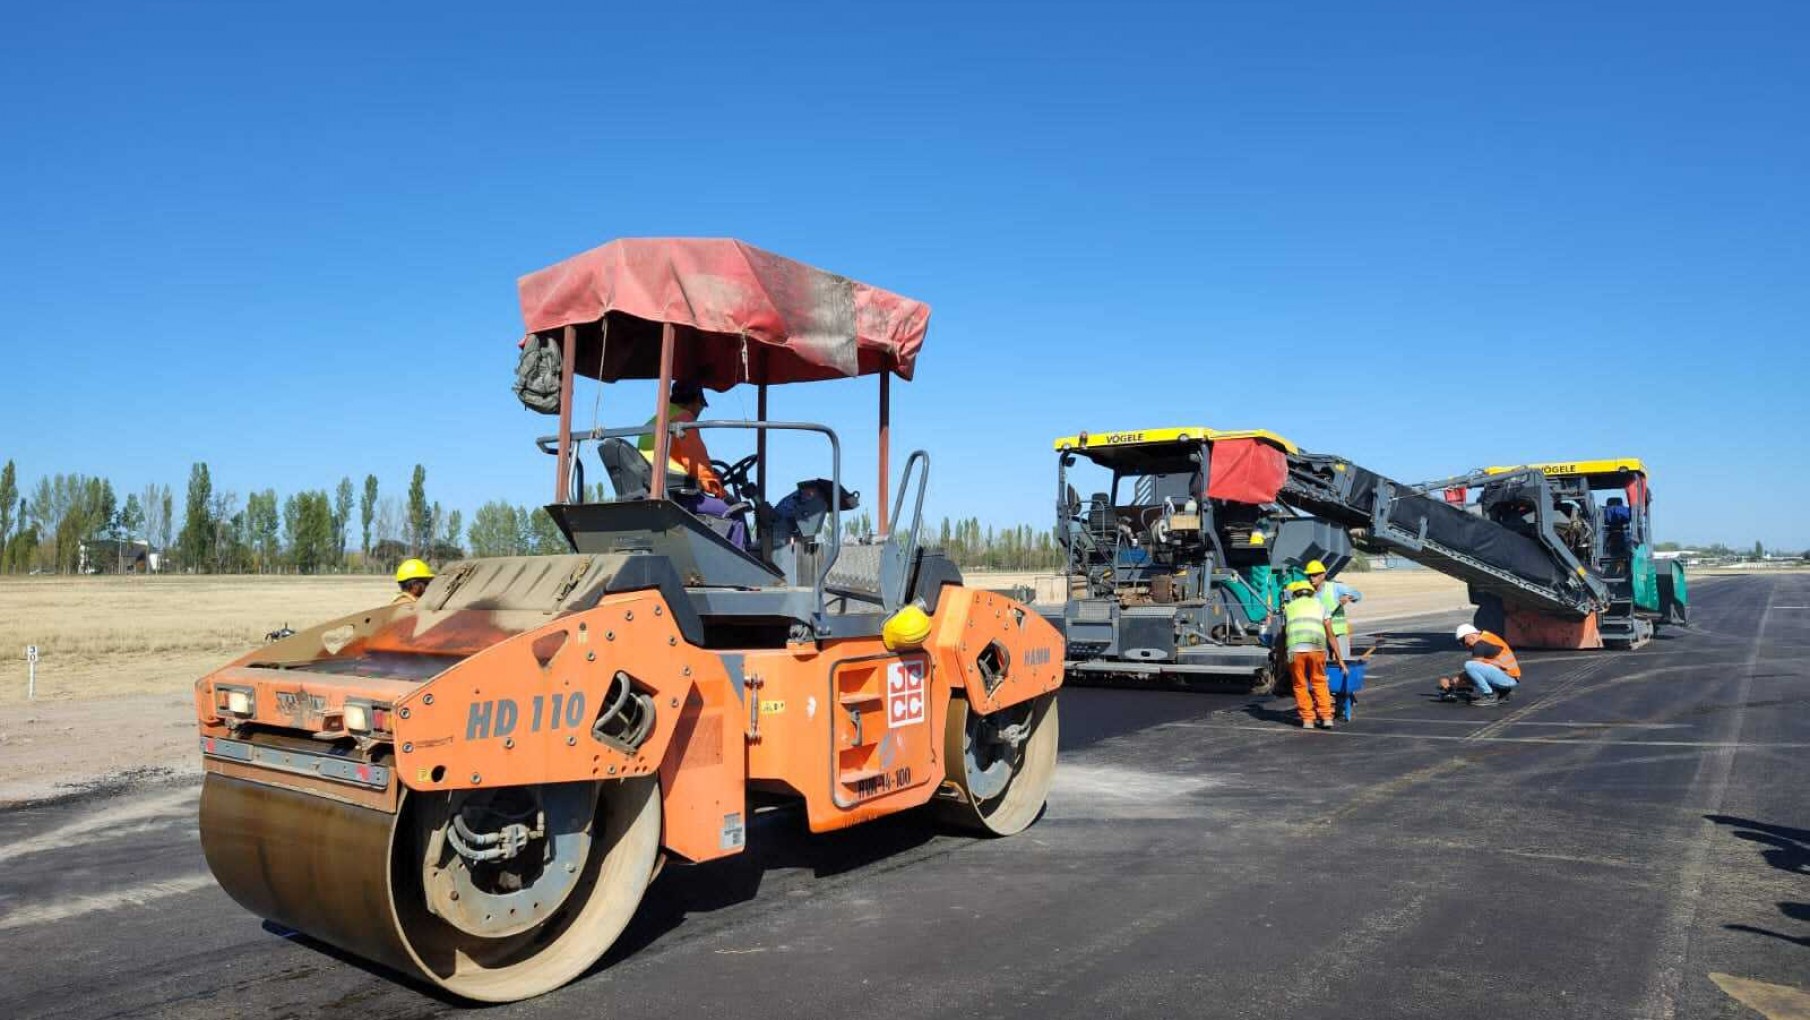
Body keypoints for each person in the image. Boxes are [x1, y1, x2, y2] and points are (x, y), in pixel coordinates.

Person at [638, 381, 746, 547]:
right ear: (696, 401)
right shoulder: (684, 419)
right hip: (678, 496)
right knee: (735, 513)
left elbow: (678, 460)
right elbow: (698, 465)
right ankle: (739, 568)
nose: (700, 412)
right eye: (702, 406)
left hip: (652, 490)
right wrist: (722, 494)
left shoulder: (654, 421)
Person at [1283, 579, 1345, 729]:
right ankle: (1326, 717)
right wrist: (1340, 659)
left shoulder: (1288, 608)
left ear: (1295, 594)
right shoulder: (1321, 606)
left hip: (1295, 650)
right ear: (1312, 593)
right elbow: (1330, 634)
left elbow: (1283, 635)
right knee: (1319, 682)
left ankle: (1308, 720)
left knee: (1300, 685)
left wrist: (1281, 656)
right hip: (1317, 648)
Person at [1436, 623, 1522, 705]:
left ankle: (1489, 695)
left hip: (1507, 679)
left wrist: (1451, 682)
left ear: (1470, 636)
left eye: (1463, 641)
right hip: (1509, 677)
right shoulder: (1486, 637)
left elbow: (1472, 670)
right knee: (1474, 672)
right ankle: (1503, 692)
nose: (1465, 645)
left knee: (1470, 665)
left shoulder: (1480, 644)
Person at [1305, 559, 1363, 659]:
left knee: (1343, 660)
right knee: (1322, 664)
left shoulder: (1335, 588)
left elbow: (1358, 595)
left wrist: (1348, 596)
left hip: (1338, 632)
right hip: (1320, 634)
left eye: (1314, 575)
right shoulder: (1307, 592)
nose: (1311, 578)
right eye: (1309, 575)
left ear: (1322, 575)